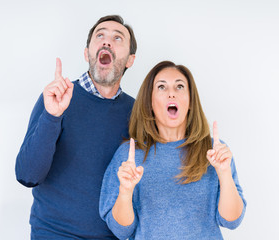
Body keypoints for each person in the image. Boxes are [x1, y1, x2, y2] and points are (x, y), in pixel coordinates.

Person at [15, 15, 137, 239]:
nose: (107, 41)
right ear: (86, 53)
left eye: (117, 38)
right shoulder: (56, 98)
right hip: (53, 233)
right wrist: (53, 116)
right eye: (100, 35)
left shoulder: (138, 113)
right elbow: (27, 175)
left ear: (130, 59)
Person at [99, 61, 247, 239]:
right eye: (162, 87)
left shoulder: (214, 152)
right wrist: (125, 191)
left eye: (179, 86)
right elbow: (121, 230)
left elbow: (232, 220)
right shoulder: (128, 155)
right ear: (150, 102)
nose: (171, 93)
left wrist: (224, 174)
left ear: (190, 101)